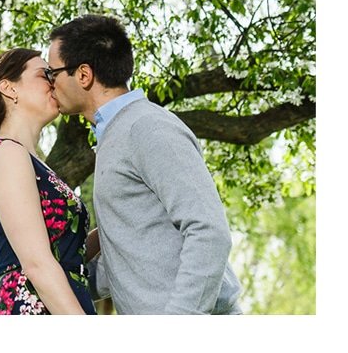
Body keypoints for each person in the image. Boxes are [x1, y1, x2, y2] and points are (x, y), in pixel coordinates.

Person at [45, 16, 242, 315]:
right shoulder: (117, 134)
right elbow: (135, 256)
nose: (49, 82)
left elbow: (209, 231)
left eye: (52, 72)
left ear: (83, 74)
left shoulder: (147, 127)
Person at [0, 47, 95, 315]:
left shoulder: (27, 160)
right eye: (44, 74)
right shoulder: (7, 155)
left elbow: (69, 252)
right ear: (9, 88)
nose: (54, 82)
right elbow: (36, 263)